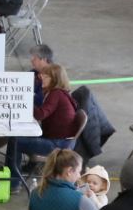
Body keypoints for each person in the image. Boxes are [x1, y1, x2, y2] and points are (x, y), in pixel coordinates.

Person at [8, 63, 80, 191]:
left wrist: (25, 101)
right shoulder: (59, 93)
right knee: (19, 136)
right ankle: (21, 171)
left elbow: (41, 114)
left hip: (58, 144)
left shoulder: (55, 93)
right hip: (62, 141)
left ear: (55, 79)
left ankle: (13, 183)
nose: (42, 78)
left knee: (15, 140)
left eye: (46, 76)